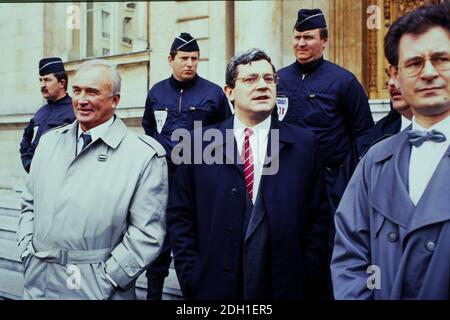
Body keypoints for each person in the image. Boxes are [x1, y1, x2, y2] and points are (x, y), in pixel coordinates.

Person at [167, 48, 330, 299]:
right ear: (229, 92)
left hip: (286, 287)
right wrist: (192, 277)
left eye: (269, 78)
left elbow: (318, 220)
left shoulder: (304, 144)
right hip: (215, 289)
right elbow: (181, 217)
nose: (262, 85)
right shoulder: (197, 144)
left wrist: (308, 275)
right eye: (251, 79)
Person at [17, 59, 168, 300]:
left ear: (115, 100)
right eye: (77, 90)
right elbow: (29, 204)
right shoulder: (48, 143)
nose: (82, 100)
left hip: (97, 290)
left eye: (93, 92)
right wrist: (27, 251)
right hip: (39, 284)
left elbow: (147, 235)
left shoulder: (143, 156)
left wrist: (107, 279)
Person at [331, 2, 450, 299]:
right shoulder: (375, 160)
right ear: (395, 74)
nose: (428, 73)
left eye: (441, 59)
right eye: (413, 63)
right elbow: (350, 256)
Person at [141, 32, 232, 300]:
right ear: (171, 59)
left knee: (198, 237)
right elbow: (149, 129)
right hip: (164, 179)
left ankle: (197, 295)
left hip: (199, 180)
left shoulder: (213, 93)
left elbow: (226, 132)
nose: (190, 63)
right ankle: (153, 294)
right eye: (184, 58)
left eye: (195, 58)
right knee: (160, 238)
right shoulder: (157, 92)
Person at [276, 8, 374, 202]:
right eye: (297, 37)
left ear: (324, 41)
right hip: (284, 178)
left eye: (309, 37)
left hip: (328, 182)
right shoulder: (278, 79)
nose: (301, 43)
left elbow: (363, 135)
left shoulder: (344, 81)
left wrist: (347, 178)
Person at [20, 57, 75, 173]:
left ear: (62, 83)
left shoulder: (75, 110)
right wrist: (27, 161)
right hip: (35, 176)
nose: (42, 85)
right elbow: (26, 136)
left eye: (47, 80)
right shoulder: (41, 112)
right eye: (40, 80)